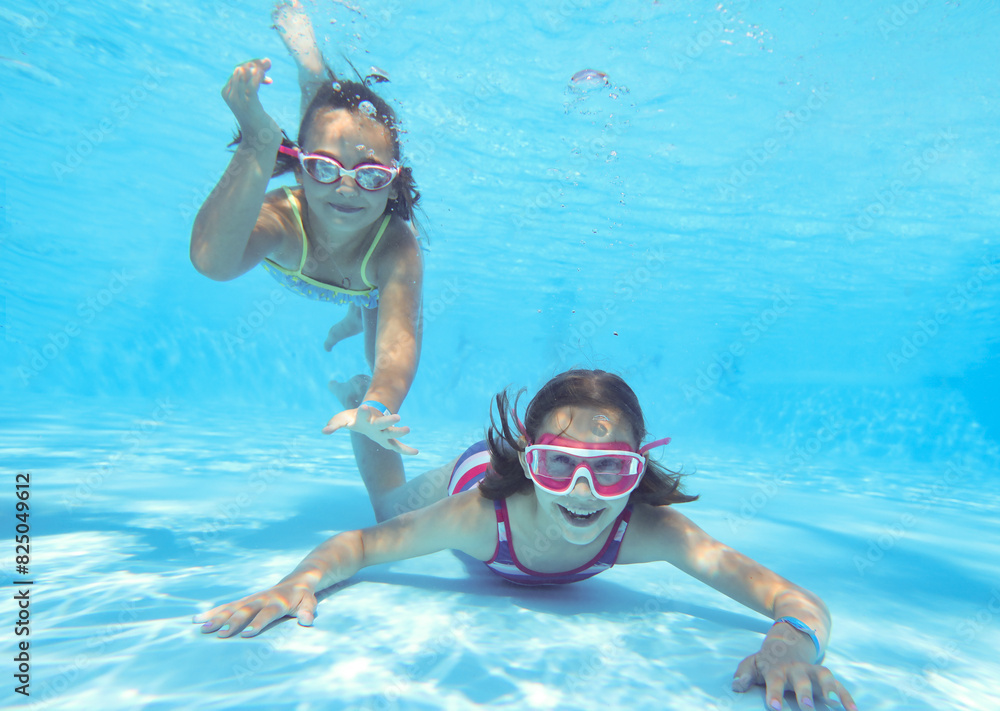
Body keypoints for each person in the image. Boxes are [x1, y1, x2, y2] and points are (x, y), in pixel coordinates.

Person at [194, 370, 858, 711]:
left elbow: (795, 599)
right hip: (474, 474)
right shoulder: (480, 516)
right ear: (530, 461)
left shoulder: (648, 530)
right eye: (558, 464)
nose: (583, 491)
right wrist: (296, 583)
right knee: (389, 505)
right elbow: (363, 545)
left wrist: (785, 643)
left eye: (611, 469)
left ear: (636, 474)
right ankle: (367, 423)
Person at [189, 1, 422, 519]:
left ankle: (315, 88)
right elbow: (211, 261)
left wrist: (376, 407)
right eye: (321, 168)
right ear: (297, 171)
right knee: (327, 122)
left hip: (363, 289)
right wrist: (256, 147)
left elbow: (396, 351)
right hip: (340, 265)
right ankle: (309, 77)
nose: (346, 187)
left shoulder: (394, 245)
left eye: (370, 175)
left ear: (392, 185)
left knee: (369, 351)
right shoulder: (282, 218)